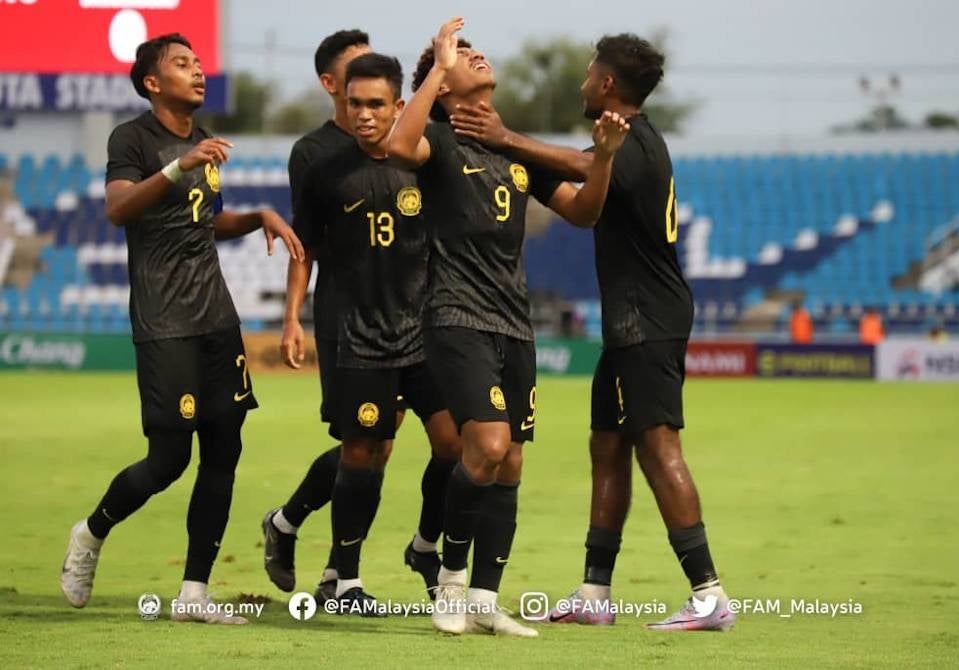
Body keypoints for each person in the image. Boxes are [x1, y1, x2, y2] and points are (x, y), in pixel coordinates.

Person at [449, 33, 736, 631]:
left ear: (607, 84)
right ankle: (594, 593)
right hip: (630, 320)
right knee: (607, 447)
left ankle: (708, 594)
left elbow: (583, 168)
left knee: (659, 447)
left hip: (646, 320)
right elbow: (581, 179)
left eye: (587, 73)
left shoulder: (628, 143)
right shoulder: (629, 139)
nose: (581, 82)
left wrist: (504, 139)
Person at [388, 17, 630, 636]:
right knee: (488, 446)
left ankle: (486, 601)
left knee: (512, 463)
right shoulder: (437, 140)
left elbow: (585, 211)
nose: (478, 56)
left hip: (514, 325)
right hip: (455, 316)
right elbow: (396, 146)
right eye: (465, 57)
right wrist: (438, 66)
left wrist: (600, 158)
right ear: (444, 88)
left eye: (472, 52)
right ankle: (450, 579)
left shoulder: (511, 147)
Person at [59, 33, 303, 625]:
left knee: (225, 451)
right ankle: (90, 533)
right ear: (151, 82)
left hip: (217, 319)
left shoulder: (200, 143)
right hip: (164, 320)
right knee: (168, 459)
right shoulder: (135, 139)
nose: (197, 72)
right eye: (182, 64)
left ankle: (193, 593)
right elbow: (119, 209)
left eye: (198, 63)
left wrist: (258, 216)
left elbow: (203, 222)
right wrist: (177, 165)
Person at [262, 30, 455, 605]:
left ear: (400, 105)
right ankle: (342, 578)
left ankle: (423, 544)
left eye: (377, 104)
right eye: (355, 104)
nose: (365, 114)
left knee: (457, 445)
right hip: (357, 332)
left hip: (423, 329)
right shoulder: (322, 167)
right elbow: (306, 249)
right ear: (338, 99)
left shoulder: (427, 158)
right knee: (364, 450)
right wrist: (292, 318)